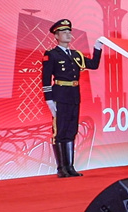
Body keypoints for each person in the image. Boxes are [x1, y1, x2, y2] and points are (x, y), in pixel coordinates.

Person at [41, 19, 102, 177]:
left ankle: (70, 167)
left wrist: (98, 48)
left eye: (69, 32)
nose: (68, 35)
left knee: (71, 130)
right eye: (64, 32)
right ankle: (61, 168)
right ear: (56, 36)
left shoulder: (76, 55)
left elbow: (93, 65)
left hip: (74, 95)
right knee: (60, 131)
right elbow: (46, 78)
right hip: (60, 95)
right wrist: (49, 99)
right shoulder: (51, 54)